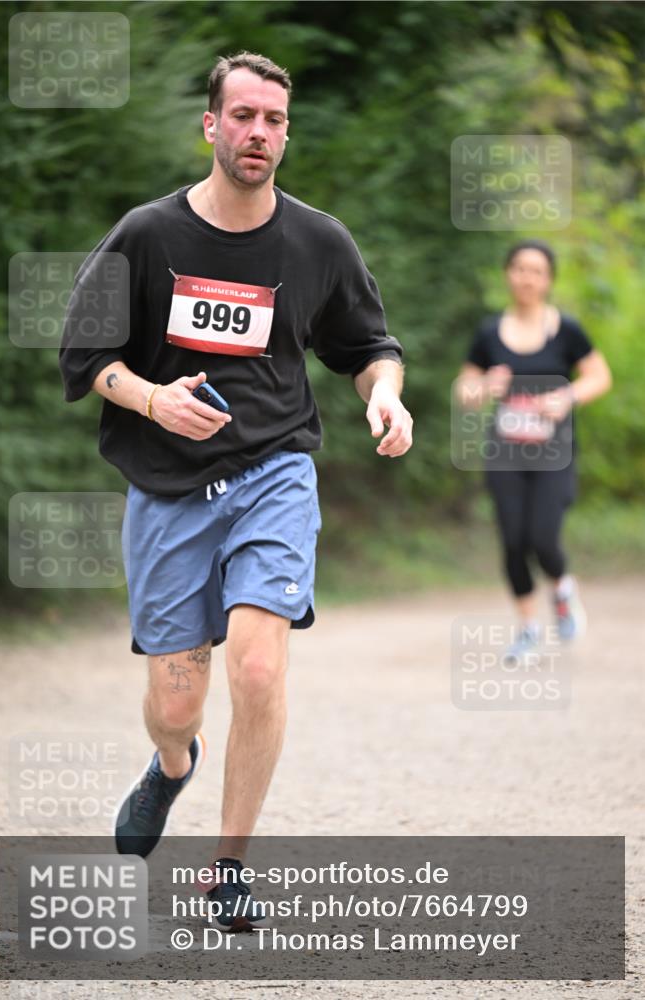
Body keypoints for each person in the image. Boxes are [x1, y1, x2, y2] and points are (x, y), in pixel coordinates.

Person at [59, 51, 412, 929]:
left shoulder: (317, 241)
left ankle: (227, 866)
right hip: (169, 489)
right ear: (211, 125)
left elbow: (368, 345)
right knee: (175, 702)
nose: (259, 133)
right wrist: (152, 399)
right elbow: (83, 356)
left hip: (273, 472)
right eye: (244, 116)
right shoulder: (148, 235)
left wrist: (387, 396)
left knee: (258, 664)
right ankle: (173, 767)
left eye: (275, 121)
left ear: (286, 134)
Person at [455, 240, 611, 662]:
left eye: (536, 270)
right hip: (505, 454)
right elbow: (464, 391)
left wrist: (567, 396)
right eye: (520, 268)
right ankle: (527, 629)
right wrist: (485, 388)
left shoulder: (567, 330)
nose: (527, 277)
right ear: (508, 274)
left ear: (548, 280)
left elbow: (599, 376)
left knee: (542, 537)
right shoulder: (489, 333)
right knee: (512, 542)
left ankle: (561, 588)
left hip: (553, 454)